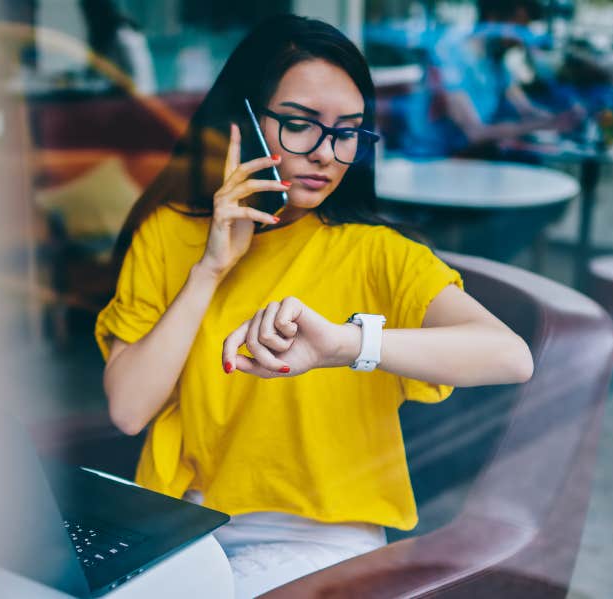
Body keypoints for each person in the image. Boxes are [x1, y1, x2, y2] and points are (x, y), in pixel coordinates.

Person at [94, 15, 534, 598]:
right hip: (184, 524)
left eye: (348, 132)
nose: (327, 154)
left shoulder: (377, 253)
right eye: (300, 125)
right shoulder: (169, 235)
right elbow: (128, 410)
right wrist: (210, 269)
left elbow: (510, 356)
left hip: (319, 542)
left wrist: (348, 345)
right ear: (245, 124)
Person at [400, 0, 583, 158]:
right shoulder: (450, 52)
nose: (522, 39)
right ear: (494, 20)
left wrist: (562, 117)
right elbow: (475, 132)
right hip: (438, 162)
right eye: (520, 27)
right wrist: (546, 124)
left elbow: (525, 109)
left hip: (470, 157)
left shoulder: (494, 58)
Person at [79, 0, 156, 94]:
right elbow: (95, 75)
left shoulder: (125, 36)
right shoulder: (103, 38)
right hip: (114, 100)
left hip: (134, 101)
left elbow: (138, 79)